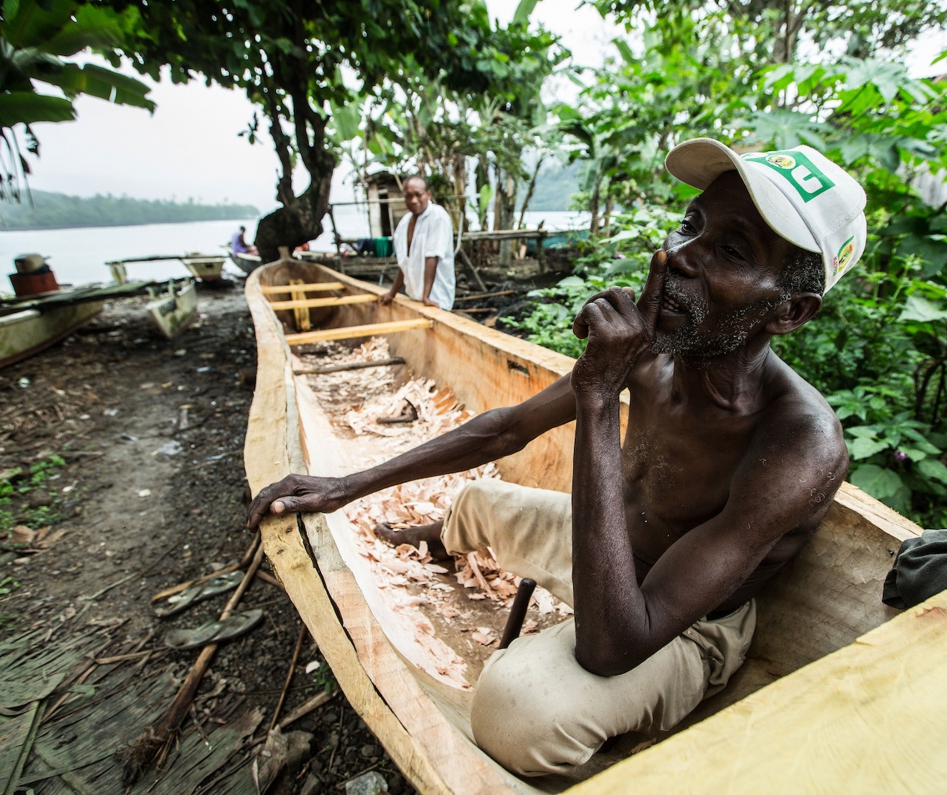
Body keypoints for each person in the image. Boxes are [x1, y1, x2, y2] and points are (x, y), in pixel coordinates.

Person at [247, 138, 868, 775]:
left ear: (790, 312)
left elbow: (614, 646)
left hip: (679, 627)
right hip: (610, 554)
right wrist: (347, 484)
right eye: (691, 225)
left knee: (515, 710)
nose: (676, 255)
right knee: (474, 498)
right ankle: (438, 540)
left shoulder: (799, 444)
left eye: (731, 251)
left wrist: (599, 393)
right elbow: (505, 431)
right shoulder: (659, 351)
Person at [378, 175, 456, 310]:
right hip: (414, 297)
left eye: (418, 195)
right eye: (408, 196)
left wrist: (426, 296)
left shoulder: (437, 216)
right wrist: (392, 293)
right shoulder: (404, 222)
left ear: (428, 195)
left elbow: (432, 257)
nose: (413, 200)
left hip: (435, 298)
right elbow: (405, 263)